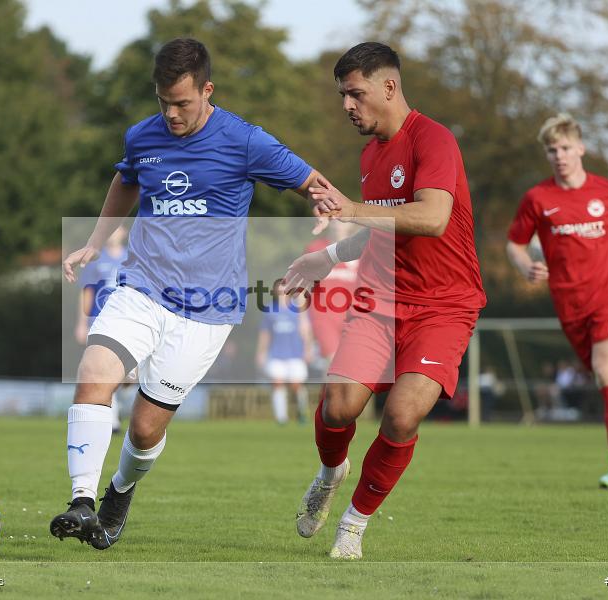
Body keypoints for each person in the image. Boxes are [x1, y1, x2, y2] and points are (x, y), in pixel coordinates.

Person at [51, 38, 331, 550]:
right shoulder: (142, 136)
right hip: (141, 287)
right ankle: (82, 502)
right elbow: (126, 180)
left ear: (208, 90)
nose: (171, 114)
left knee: (143, 430)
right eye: (163, 102)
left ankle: (120, 490)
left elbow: (310, 179)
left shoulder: (246, 141)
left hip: (207, 313)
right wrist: (95, 242)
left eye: (182, 103)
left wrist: (326, 204)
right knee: (94, 374)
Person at [282, 42, 486, 559]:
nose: (347, 106)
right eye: (342, 96)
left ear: (388, 87)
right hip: (380, 300)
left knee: (400, 416)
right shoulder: (371, 153)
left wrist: (352, 207)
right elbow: (382, 228)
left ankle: (353, 523)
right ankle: (331, 474)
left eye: (355, 94)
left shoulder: (434, 140)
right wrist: (328, 256)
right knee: (339, 407)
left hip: (443, 306)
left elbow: (432, 217)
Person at [506, 113, 608, 490]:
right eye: (552, 150)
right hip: (569, 306)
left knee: (606, 367)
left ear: (580, 148)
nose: (559, 155)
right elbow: (514, 244)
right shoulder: (538, 198)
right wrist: (525, 267)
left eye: (565, 148)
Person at [76, 226, 129, 434]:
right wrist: (82, 322)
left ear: (124, 232)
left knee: (131, 376)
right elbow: (87, 292)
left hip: (128, 321)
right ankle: (112, 419)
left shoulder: (133, 257)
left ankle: (120, 404)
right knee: (105, 370)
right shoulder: (97, 259)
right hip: (101, 321)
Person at [303, 220, 361, 363]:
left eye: (342, 220)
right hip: (323, 317)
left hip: (353, 319)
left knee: (351, 366)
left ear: (351, 224)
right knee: (333, 362)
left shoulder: (360, 251)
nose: (337, 223)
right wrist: (302, 319)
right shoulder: (316, 249)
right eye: (334, 219)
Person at [256, 282, 313, 425]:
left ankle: (302, 413)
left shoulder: (298, 310)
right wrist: (261, 352)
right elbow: (265, 334)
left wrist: (308, 349)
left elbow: (306, 331)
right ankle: (281, 418)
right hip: (276, 354)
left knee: (296, 385)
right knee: (277, 383)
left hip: (295, 353)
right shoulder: (270, 310)